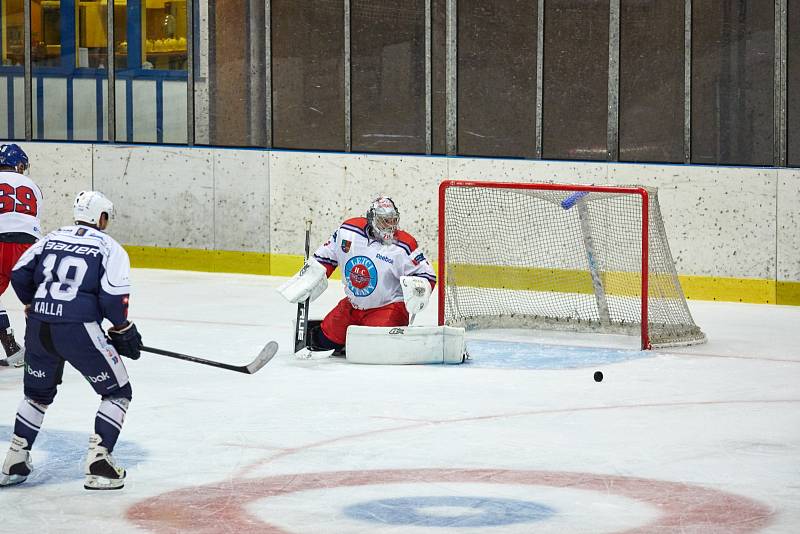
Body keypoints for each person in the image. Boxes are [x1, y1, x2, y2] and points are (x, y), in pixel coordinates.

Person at [0, 191, 142, 490]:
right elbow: (114, 298)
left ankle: (14, 460)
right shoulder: (109, 247)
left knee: (36, 396)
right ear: (102, 218)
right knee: (118, 391)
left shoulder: (51, 238)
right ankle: (100, 463)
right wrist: (122, 328)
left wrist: (30, 302)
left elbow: (18, 273)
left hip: (39, 326)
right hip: (78, 330)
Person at [278, 196, 436, 354]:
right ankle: (344, 341)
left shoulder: (403, 245)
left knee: (373, 349)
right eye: (384, 221)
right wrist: (309, 279)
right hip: (353, 306)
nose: (390, 226)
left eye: (393, 220)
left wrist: (418, 290)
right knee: (322, 341)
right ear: (372, 219)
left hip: (388, 308)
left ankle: (354, 342)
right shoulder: (348, 231)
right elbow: (325, 258)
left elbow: (427, 275)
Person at [0, 144, 42, 368]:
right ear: (18, 165)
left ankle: (11, 347)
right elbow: (34, 222)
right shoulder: (33, 186)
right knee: (36, 299)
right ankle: (35, 352)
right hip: (26, 247)